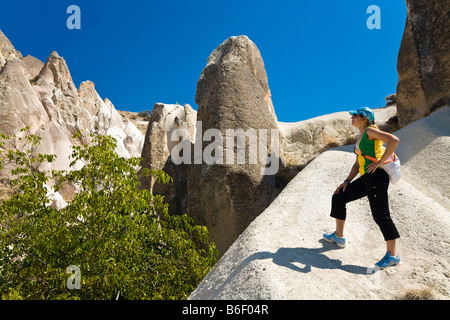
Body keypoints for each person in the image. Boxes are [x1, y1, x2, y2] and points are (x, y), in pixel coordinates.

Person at [323, 107, 401, 269]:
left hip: (376, 177)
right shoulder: (360, 138)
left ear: (365, 118)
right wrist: (347, 181)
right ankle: (339, 237)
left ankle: (392, 256)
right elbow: (358, 163)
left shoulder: (371, 131)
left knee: (380, 215)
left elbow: (394, 140)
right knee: (339, 196)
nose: (352, 118)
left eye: (355, 116)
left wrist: (380, 162)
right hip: (366, 177)